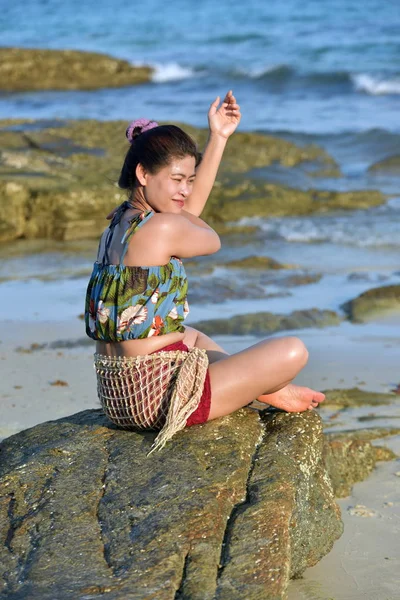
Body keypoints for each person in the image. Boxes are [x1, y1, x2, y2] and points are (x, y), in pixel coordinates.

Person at [85, 90, 325, 454]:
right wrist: (184, 210)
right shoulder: (162, 228)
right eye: (177, 179)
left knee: (190, 335)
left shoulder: (118, 223)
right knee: (293, 351)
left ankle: (272, 390)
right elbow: (211, 239)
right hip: (157, 400)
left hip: (118, 394)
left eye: (190, 180)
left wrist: (219, 137)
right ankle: (271, 388)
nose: (185, 191)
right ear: (143, 173)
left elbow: (183, 214)